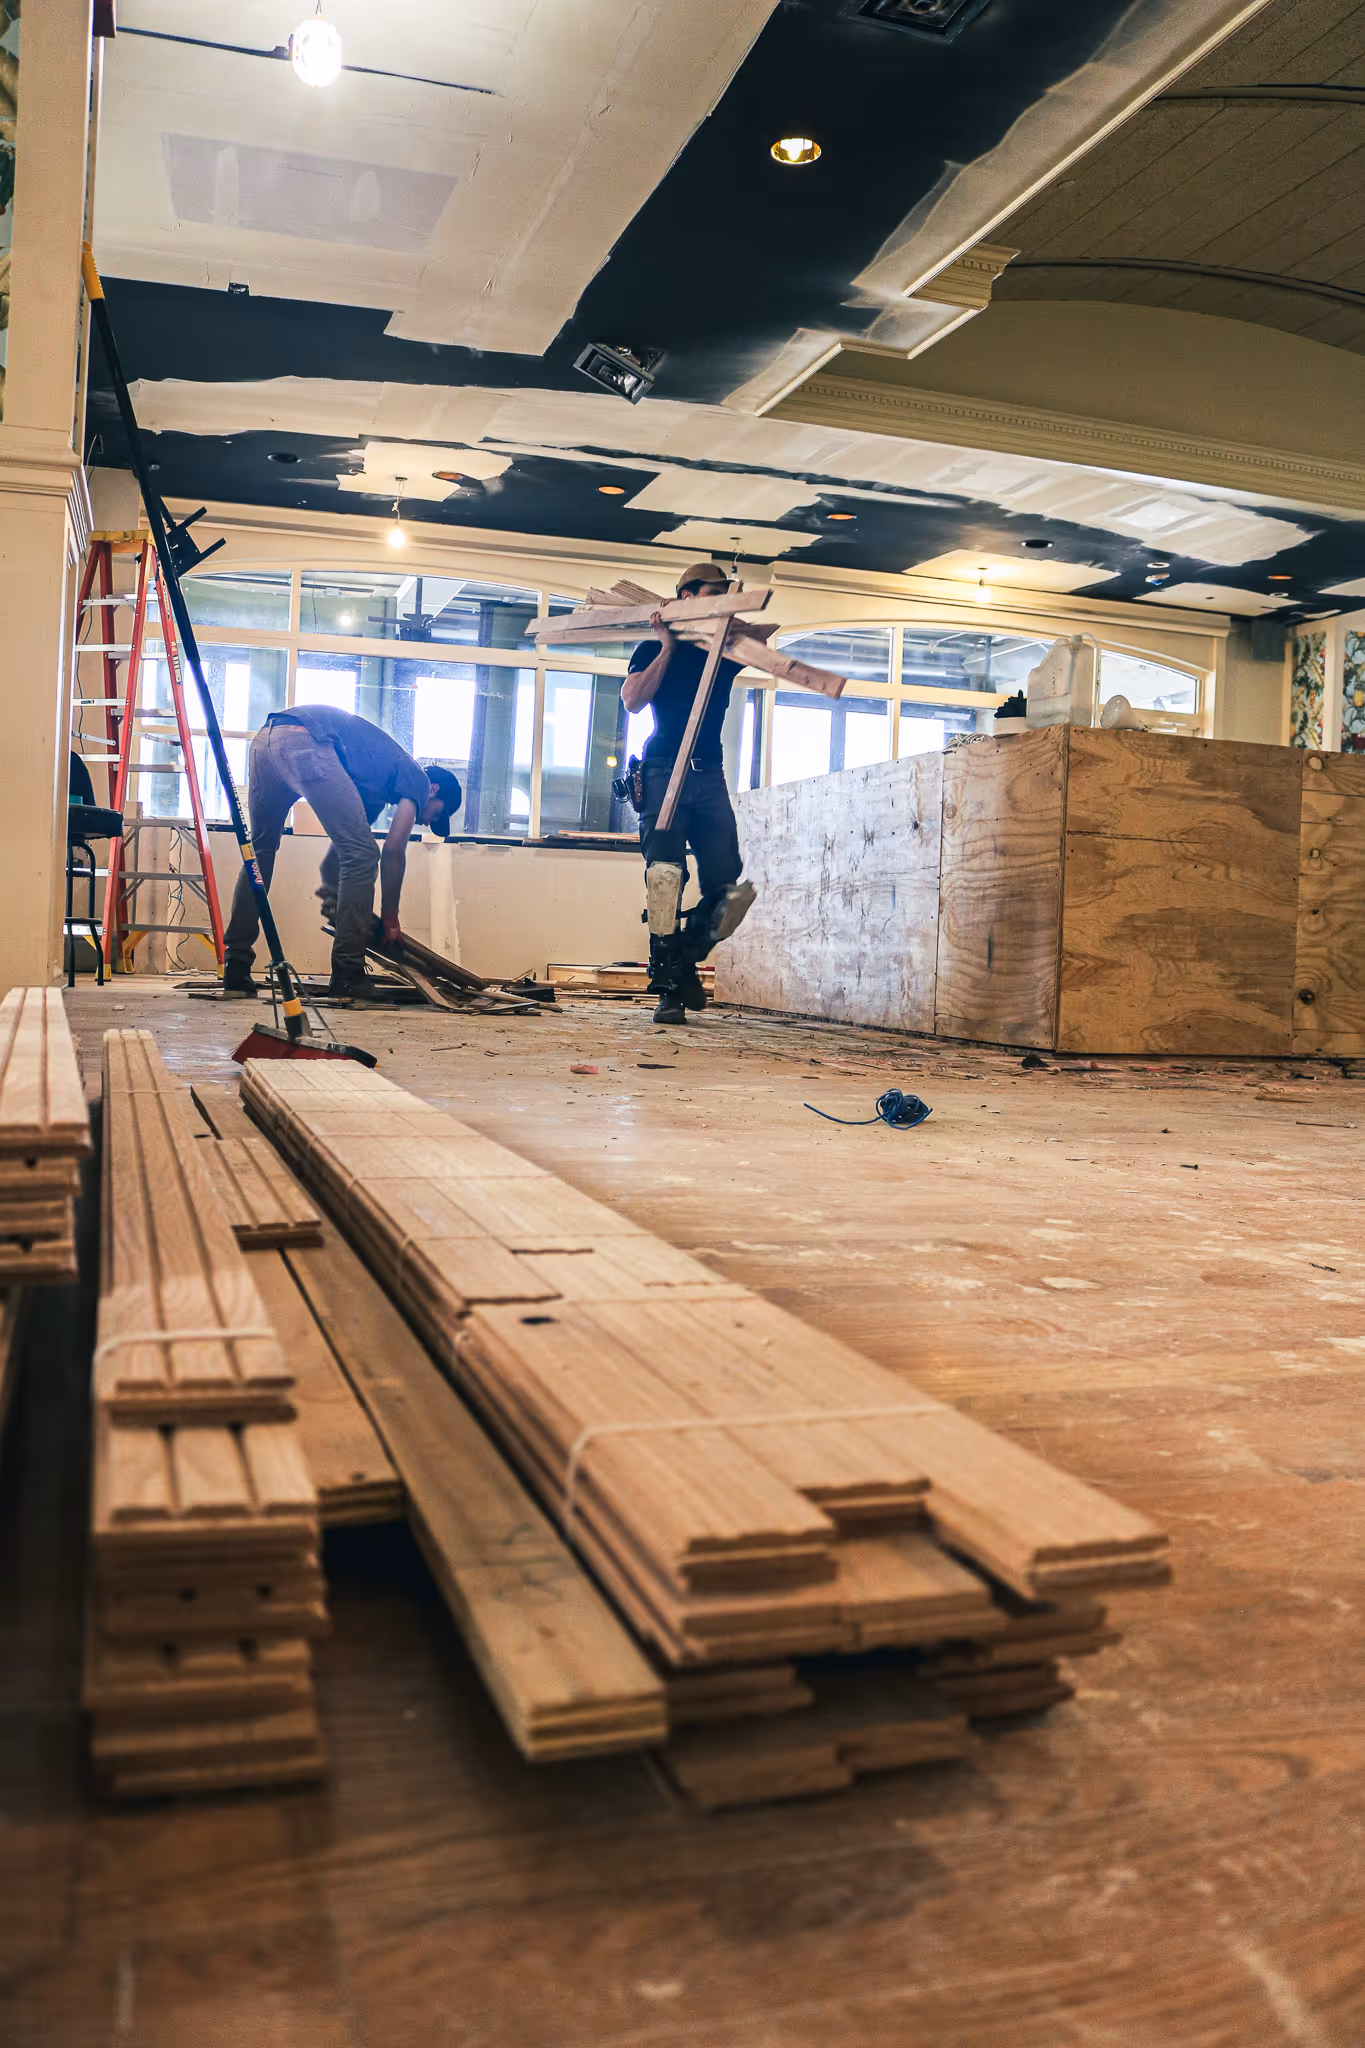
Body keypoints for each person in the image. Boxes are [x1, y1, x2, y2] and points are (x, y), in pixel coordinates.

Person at [222, 704, 461, 1000]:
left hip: (266, 742)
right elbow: (393, 851)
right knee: (363, 855)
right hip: (306, 740)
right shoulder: (418, 779)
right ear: (434, 790)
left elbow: (337, 860)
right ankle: (348, 975)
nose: (428, 822)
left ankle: (236, 966)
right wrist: (390, 918)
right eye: (437, 815)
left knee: (259, 852)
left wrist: (339, 903)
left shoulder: (372, 789)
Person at [622, 563, 756, 1024]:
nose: (718, 599)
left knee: (729, 886)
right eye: (711, 593)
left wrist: (732, 623)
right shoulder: (651, 648)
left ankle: (681, 960)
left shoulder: (725, 650)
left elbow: (763, 651)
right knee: (665, 877)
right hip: (661, 769)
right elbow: (633, 700)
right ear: (684, 596)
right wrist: (666, 647)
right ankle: (668, 991)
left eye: (724, 594)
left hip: (709, 772)